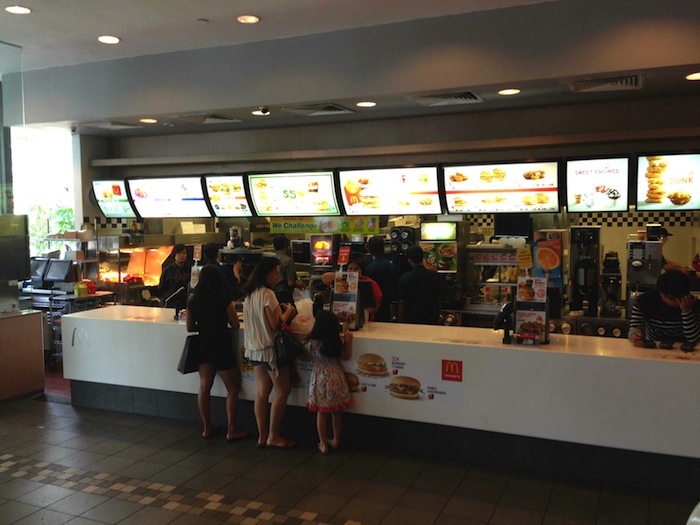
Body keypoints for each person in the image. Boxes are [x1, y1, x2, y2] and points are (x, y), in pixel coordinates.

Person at [186, 265, 249, 441]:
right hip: (221, 344)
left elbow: (190, 327)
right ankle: (231, 429)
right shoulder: (224, 298)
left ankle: (207, 427)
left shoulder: (193, 299)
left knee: (205, 387)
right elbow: (235, 324)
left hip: (202, 344)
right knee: (233, 387)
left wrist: (204, 326)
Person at [243, 256, 298, 449]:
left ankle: (262, 435)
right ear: (265, 274)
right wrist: (289, 311)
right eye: (275, 273)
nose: (277, 276)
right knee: (283, 390)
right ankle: (274, 436)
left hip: (254, 350)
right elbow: (276, 324)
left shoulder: (249, 294)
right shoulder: (268, 295)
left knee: (262, 392)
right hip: (270, 351)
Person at [301, 310, 353, 454]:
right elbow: (346, 357)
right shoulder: (334, 342)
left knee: (321, 413)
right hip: (335, 376)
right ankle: (336, 440)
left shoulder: (311, 344)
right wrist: (349, 341)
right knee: (336, 412)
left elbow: (304, 357)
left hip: (318, 378)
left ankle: (323, 444)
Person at [628, 270, 700, 350]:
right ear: (660, 293)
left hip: (685, 348)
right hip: (655, 346)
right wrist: (634, 335)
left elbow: (694, 339)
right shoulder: (645, 301)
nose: (677, 302)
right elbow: (635, 326)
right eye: (672, 298)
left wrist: (687, 311)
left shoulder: (694, 304)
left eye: (680, 298)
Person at [398, 244, 443, 324]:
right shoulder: (435, 276)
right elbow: (438, 300)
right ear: (423, 258)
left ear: (410, 260)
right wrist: (437, 317)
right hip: (429, 317)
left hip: (411, 318)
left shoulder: (404, 278)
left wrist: (400, 320)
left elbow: (402, 302)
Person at [365, 235, 399, 322]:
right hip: (387, 307)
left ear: (369, 249)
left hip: (373, 309)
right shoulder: (391, 267)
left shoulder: (369, 268)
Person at [158, 243, 190, 310]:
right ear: (174, 255)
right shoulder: (167, 270)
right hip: (171, 304)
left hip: (186, 304)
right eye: (179, 253)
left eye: (184, 253)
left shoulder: (190, 269)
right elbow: (161, 288)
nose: (182, 255)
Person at [272, 235, 302, 305]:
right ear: (286, 245)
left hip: (274, 294)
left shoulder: (271, 260)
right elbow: (290, 283)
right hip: (285, 295)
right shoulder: (288, 261)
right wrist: (300, 285)